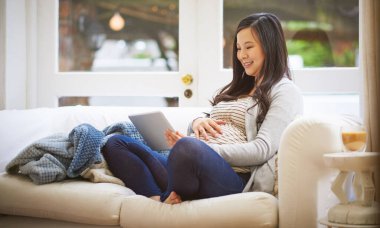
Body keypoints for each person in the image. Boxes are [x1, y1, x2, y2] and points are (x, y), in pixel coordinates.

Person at [102, 12, 303, 204]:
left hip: (232, 177)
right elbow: (212, 121)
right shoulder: (241, 87)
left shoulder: (284, 91)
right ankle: (160, 198)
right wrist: (197, 122)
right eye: (239, 48)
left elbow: (262, 149)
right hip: (189, 167)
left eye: (248, 47)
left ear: (270, 46)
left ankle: (166, 195)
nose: (242, 55)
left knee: (187, 147)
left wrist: (205, 149)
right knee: (116, 143)